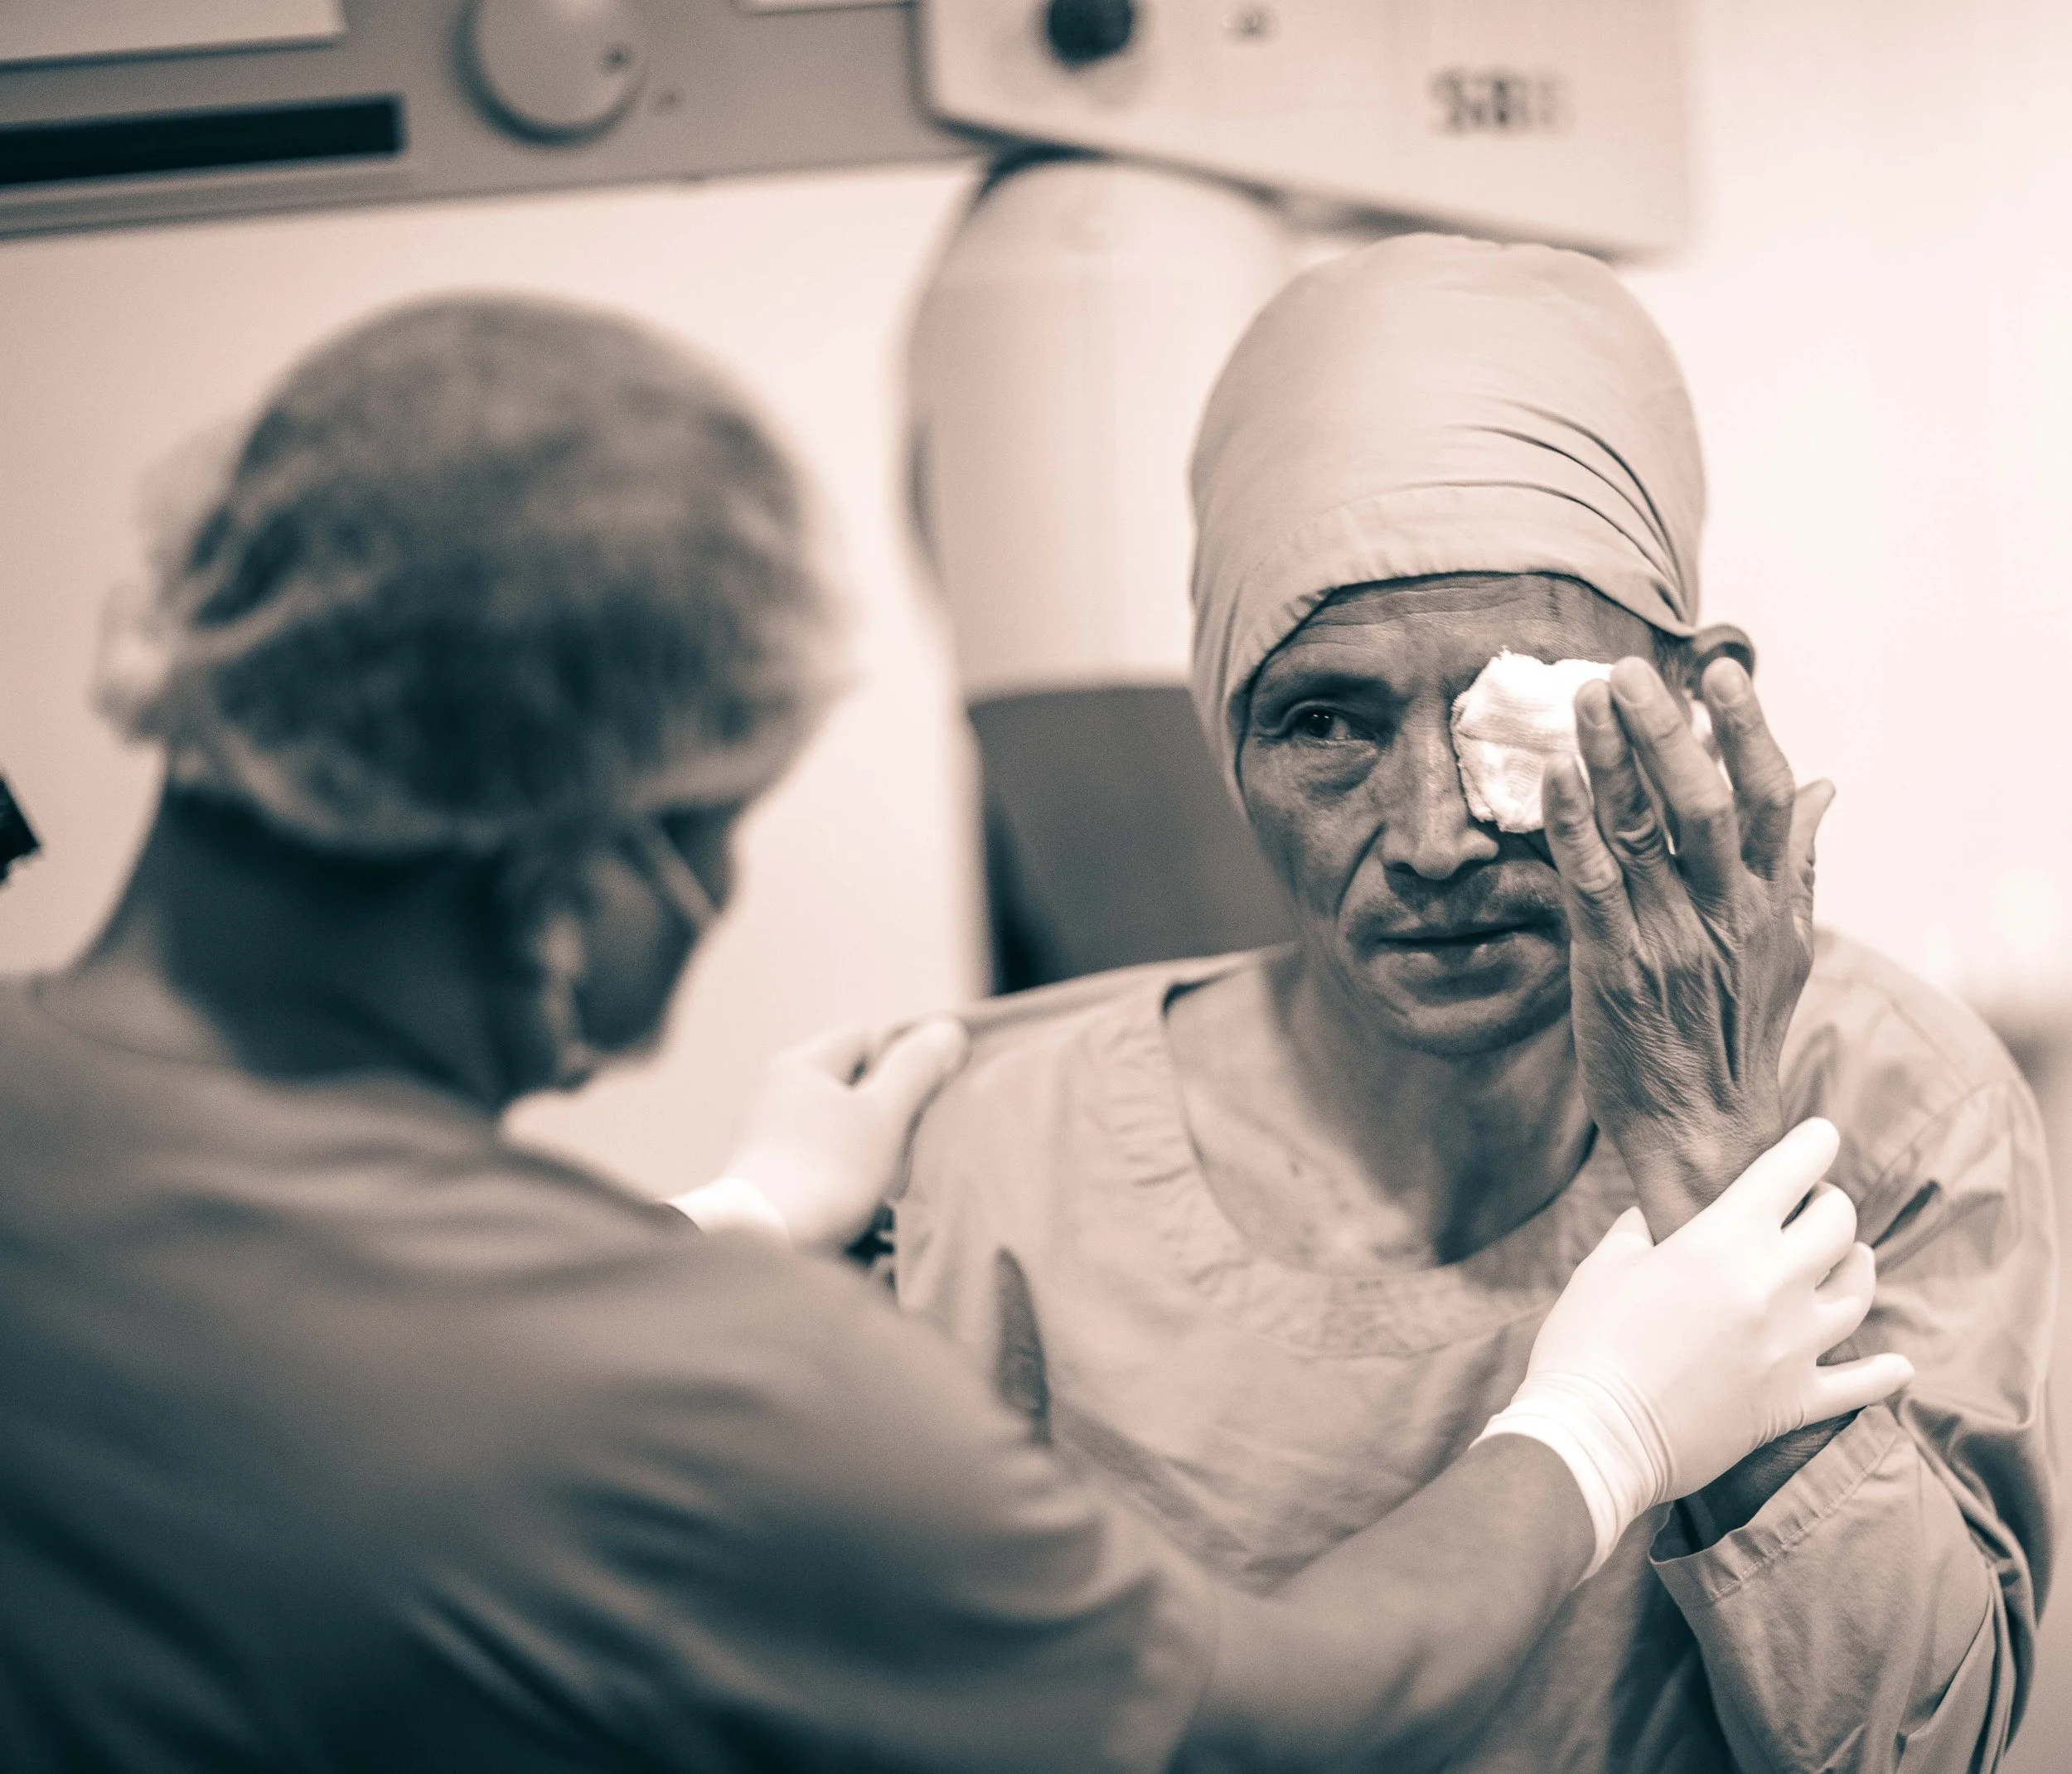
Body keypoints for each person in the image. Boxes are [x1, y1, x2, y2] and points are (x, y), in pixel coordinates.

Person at [0, 293, 1900, 1774]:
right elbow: (1284, 1705)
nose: (1420, 833)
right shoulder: (700, 1386)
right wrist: (1601, 1420)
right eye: (709, 838)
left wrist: (723, 1219)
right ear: (565, 877)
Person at [895, 235, 2057, 1772]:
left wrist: (1715, 1167)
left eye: (1515, 720)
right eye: (1325, 725)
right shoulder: (1018, 1157)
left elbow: (1923, 1746)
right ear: (1224, 744)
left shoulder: (1890, 1095)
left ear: (1696, 702)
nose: (1434, 837)